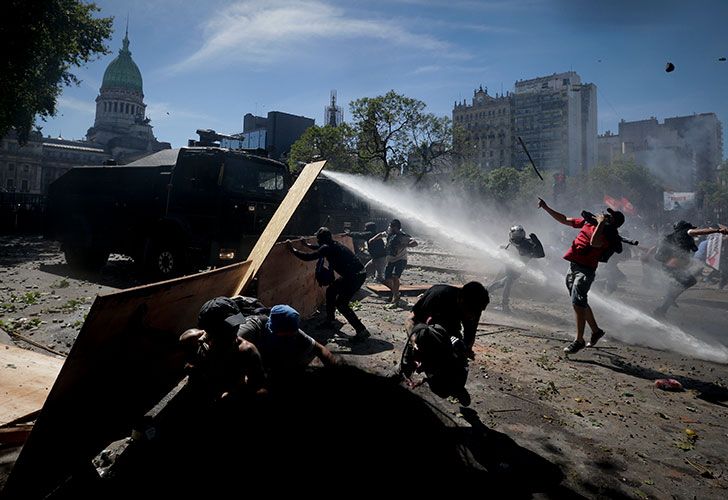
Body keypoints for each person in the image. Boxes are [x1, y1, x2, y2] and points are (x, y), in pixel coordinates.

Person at [537, 198, 625, 354]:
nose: (604, 215)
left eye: (609, 217)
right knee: (579, 300)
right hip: (573, 266)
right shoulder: (588, 223)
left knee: (578, 299)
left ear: (613, 223)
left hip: (586, 270)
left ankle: (579, 340)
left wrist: (601, 224)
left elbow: (594, 243)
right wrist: (546, 208)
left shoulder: (608, 236)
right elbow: (565, 219)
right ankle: (596, 331)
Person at [286, 227, 371, 341]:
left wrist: (292, 250)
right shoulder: (332, 244)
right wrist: (306, 244)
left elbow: (308, 257)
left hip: (354, 277)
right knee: (331, 291)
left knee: (341, 304)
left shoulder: (327, 247)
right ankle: (330, 320)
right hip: (356, 274)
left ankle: (362, 330)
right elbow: (320, 249)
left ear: (321, 239)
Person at [179, 297, 265, 402]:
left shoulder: (246, 350)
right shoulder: (193, 339)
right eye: (227, 329)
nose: (234, 331)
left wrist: (237, 392)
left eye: (235, 327)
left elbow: (260, 389)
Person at [237, 304, 336, 382]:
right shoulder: (250, 327)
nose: (289, 337)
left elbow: (321, 350)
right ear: (273, 329)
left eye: (291, 335)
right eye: (284, 335)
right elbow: (227, 350)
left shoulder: (292, 331)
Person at [652, 221, 728, 316]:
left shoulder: (671, 237)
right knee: (689, 281)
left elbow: (693, 248)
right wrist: (718, 230)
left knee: (681, 283)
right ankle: (665, 305)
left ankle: (667, 301)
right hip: (673, 266)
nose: (692, 230)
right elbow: (698, 232)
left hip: (669, 266)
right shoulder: (684, 232)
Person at [406, 281, 489, 361]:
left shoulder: (475, 308)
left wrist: (465, 350)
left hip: (451, 331)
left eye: (478, 311)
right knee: (410, 360)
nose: (473, 316)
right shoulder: (437, 295)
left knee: (458, 361)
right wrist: (414, 343)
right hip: (428, 330)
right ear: (461, 300)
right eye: (471, 311)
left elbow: (469, 337)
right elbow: (410, 320)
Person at [488, 225, 545, 312]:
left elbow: (541, 254)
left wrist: (537, 242)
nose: (517, 239)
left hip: (517, 268)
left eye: (519, 236)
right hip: (511, 267)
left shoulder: (528, 243)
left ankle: (484, 294)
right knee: (506, 284)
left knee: (502, 283)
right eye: (515, 236)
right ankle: (504, 306)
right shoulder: (514, 243)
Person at [370, 219, 418, 307]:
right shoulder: (389, 232)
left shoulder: (403, 236)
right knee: (386, 279)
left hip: (400, 259)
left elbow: (415, 243)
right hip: (390, 260)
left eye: (392, 226)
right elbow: (381, 234)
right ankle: (395, 293)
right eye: (390, 226)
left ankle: (395, 296)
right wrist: (373, 239)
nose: (390, 228)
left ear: (396, 227)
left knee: (395, 277)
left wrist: (404, 245)